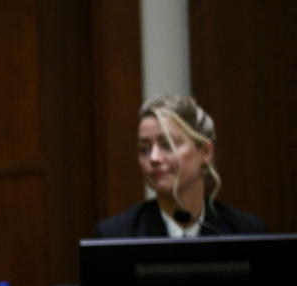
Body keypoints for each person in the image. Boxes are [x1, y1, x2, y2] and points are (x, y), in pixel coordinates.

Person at [94, 94, 265, 237]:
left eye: (168, 144)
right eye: (144, 149)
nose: (153, 158)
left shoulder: (246, 232)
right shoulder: (116, 235)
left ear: (205, 152)